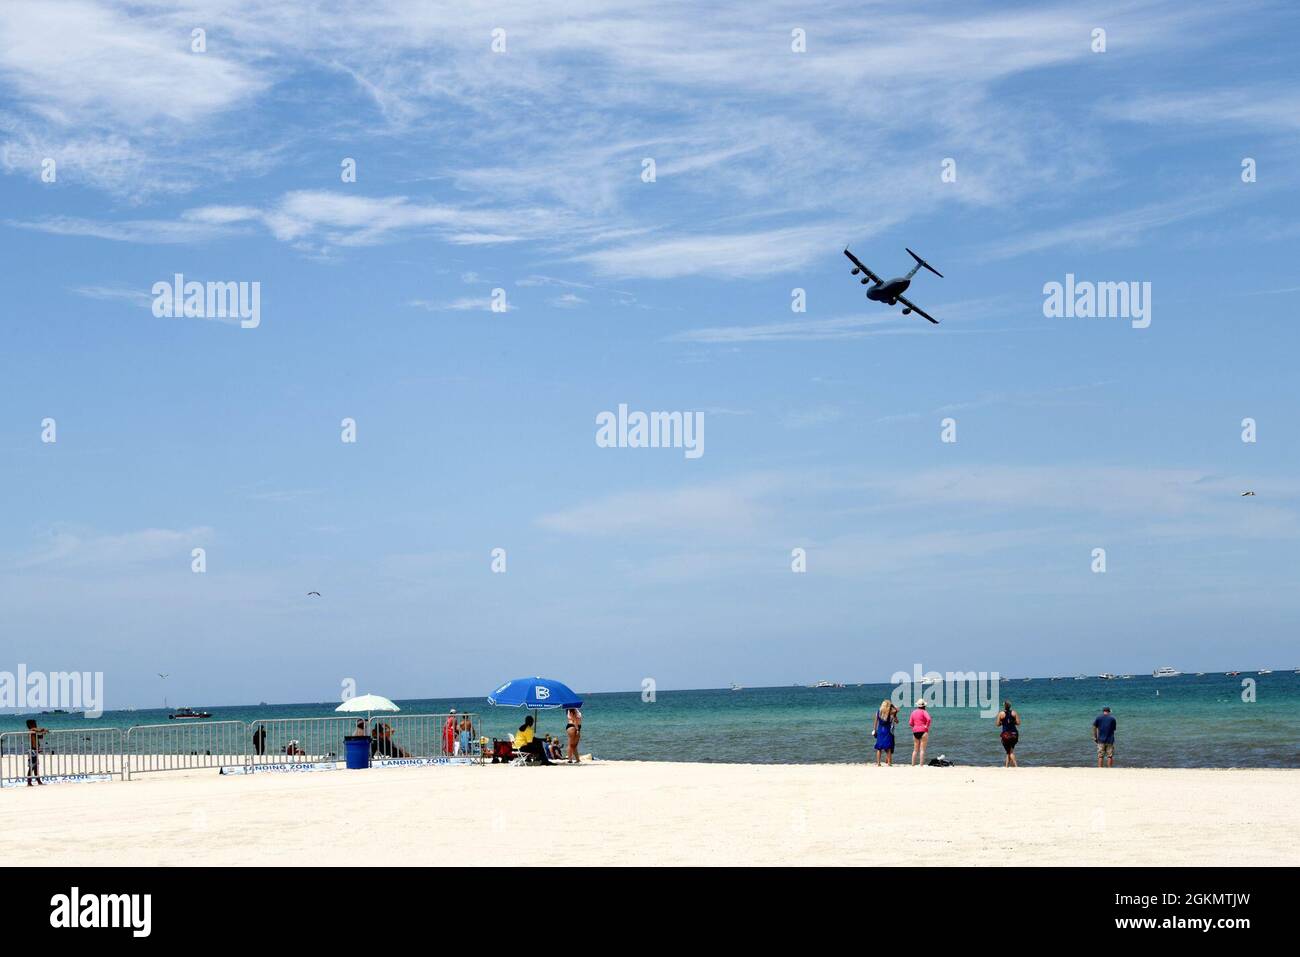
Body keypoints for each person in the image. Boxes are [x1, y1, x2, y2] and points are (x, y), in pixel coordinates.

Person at [996, 700, 1020, 767]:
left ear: (1004, 706)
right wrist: (1012, 722)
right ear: (1010, 706)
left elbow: (997, 724)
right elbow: (1018, 723)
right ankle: (1006, 766)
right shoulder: (1014, 713)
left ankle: (1016, 766)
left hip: (1006, 735)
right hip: (1014, 734)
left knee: (1009, 752)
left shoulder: (1001, 714)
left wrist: (1002, 723)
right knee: (1009, 751)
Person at [872, 699, 896, 766]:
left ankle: (878, 763)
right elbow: (896, 710)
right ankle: (889, 763)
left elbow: (875, 722)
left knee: (879, 748)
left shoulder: (878, 712)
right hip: (887, 730)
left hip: (880, 730)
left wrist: (874, 730)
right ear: (888, 706)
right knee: (888, 747)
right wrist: (892, 705)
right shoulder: (890, 712)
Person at [908, 699, 931, 766]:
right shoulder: (924, 712)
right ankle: (921, 765)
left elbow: (910, 723)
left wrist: (914, 727)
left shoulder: (913, 712)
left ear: (918, 705)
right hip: (923, 731)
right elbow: (929, 719)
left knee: (915, 750)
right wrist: (926, 726)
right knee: (922, 750)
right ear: (924, 706)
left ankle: (913, 764)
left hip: (915, 731)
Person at [25, 719, 48, 786]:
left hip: (35, 750)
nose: (36, 725)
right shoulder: (31, 730)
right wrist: (43, 729)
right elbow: (37, 729)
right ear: (32, 725)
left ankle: (38, 781)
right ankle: (29, 782)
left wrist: (43, 733)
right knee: (32, 767)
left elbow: (40, 737)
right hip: (32, 750)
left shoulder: (34, 732)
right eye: (35, 724)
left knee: (35, 767)